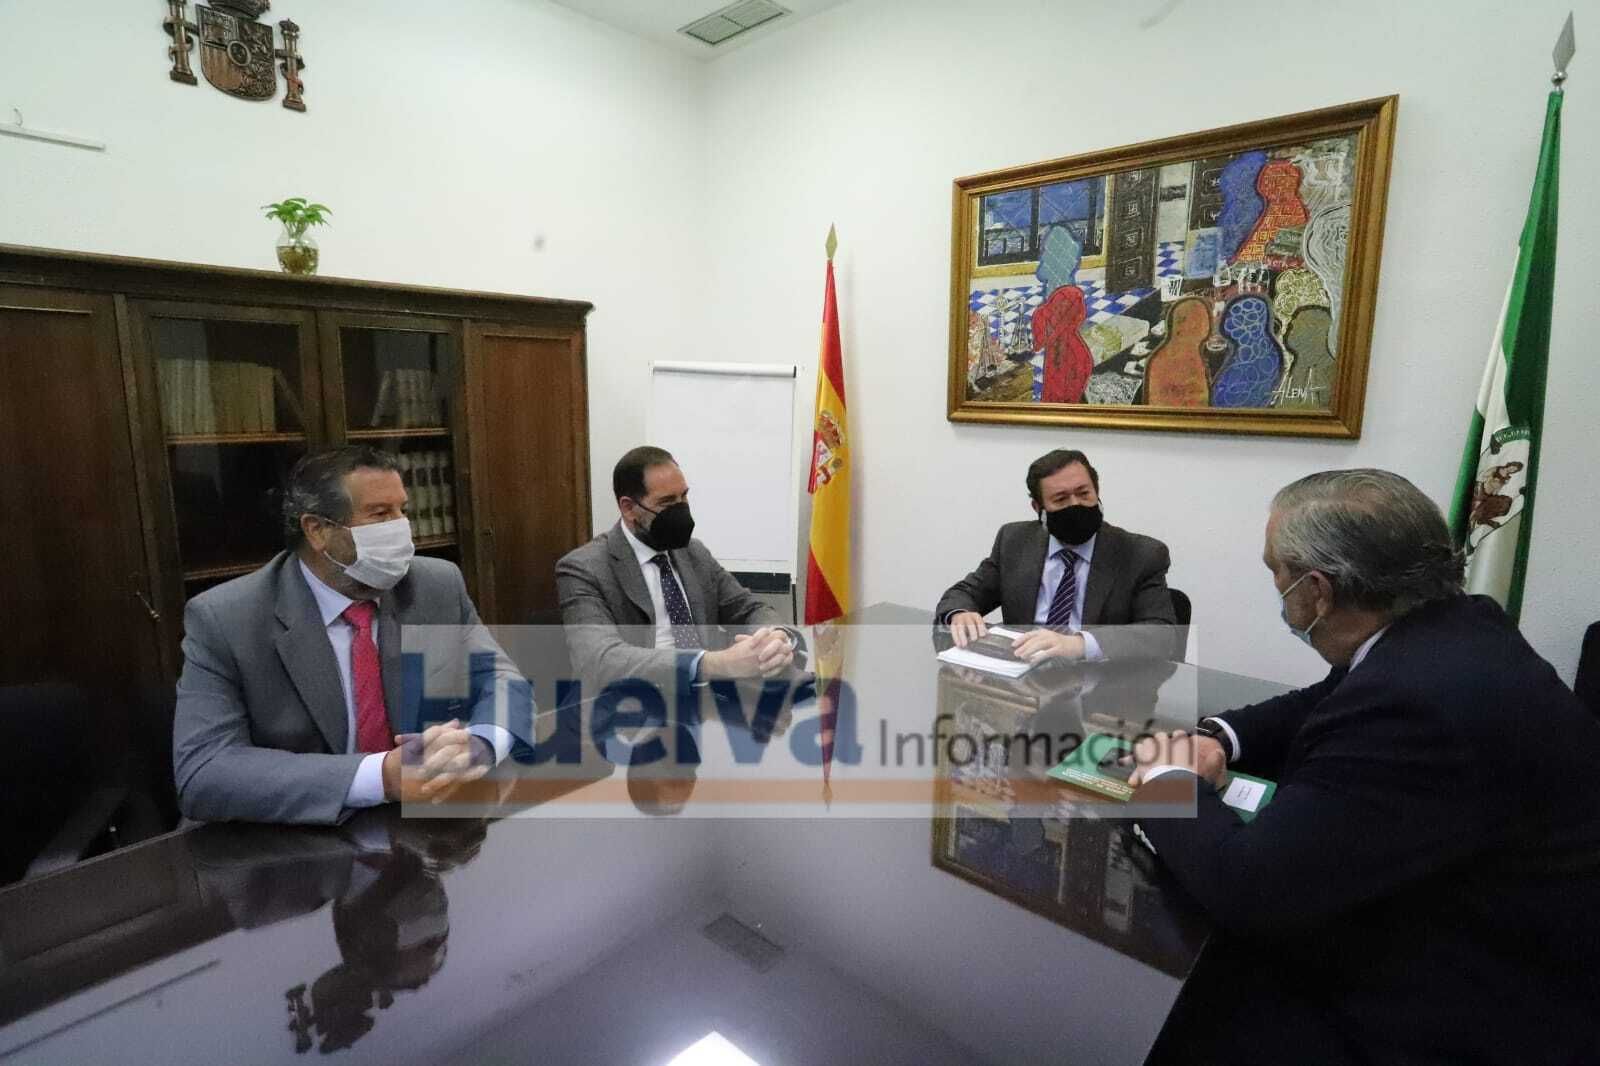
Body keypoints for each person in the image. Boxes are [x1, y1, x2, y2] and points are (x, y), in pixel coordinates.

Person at [1129, 469, 1600, 1065]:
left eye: (1276, 570)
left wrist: (1167, 780)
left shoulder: (1413, 704)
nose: (1276, 588)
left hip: (1477, 1005)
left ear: (1317, 591)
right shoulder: (1453, 627)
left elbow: (1248, 888)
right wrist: (1222, 738)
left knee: (1182, 1009)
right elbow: (1329, 697)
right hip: (1471, 929)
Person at [173, 446, 532, 825]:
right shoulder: (226, 618)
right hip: (282, 843)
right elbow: (204, 771)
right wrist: (381, 777)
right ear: (317, 530)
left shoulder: (435, 585)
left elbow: (504, 682)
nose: (402, 528)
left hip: (415, 830)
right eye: (380, 514)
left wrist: (480, 744)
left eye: (402, 511)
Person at [935, 448, 1178, 662]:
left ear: (1098, 492)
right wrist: (960, 613)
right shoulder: (1015, 541)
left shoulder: (1141, 554)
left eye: (1084, 494)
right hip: (1023, 686)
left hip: (1100, 696)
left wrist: (1080, 644)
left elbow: (1161, 636)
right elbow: (962, 594)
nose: (1076, 505)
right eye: (1061, 499)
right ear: (1038, 509)